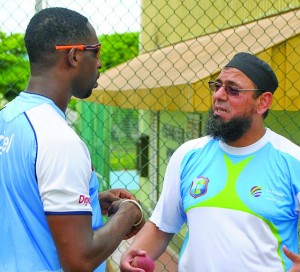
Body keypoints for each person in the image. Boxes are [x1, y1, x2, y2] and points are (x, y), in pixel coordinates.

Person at [120, 52, 300, 272]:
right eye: (217, 86)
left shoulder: (293, 161)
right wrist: (133, 255)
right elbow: (161, 226)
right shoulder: (188, 155)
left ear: (263, 102)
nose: (219, 95)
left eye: (233, 90)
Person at [0, 7, 145, 272]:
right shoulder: (58, 139)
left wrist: (87, 201)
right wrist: (130, 212)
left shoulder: (7, 118)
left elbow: (24, 199)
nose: (100, 62)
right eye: (96, 51)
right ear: (75, 55)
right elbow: (80, 260)